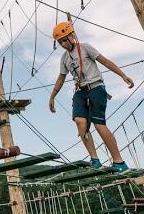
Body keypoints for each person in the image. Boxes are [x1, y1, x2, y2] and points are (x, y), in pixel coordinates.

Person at [48, 21, 134, 172]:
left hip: (96, 88)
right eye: (60, 42)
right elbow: (61, 78)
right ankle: (95, 160)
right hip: (80, 91)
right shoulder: (64, 58)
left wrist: (123, 76)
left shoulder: (85, 48)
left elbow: (105, 61)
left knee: (99, 124)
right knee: (80, 122)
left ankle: (119, 162)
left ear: (72, 36)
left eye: (64, 39)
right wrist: (52, 96)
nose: (63, 43)